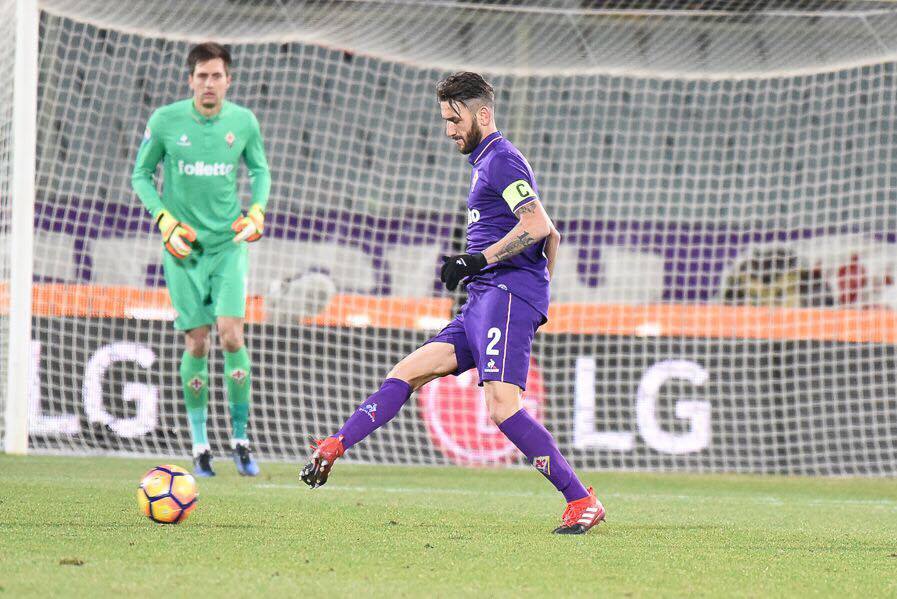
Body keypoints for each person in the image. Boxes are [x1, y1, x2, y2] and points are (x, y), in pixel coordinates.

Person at [301, 72, 605, 534]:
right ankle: (334, 446)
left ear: (483, 113)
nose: (449, 130)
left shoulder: (502, 159)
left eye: (455, 119)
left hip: (502, 293)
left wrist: (484, 266)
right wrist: (530, 288)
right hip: (487, 297)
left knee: (502, 407)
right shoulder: (484, 163)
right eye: (445, 120)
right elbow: (553, 236)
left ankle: (581, 499)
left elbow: (539, 225)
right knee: (406, 373)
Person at [132, 42, 271, 477]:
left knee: (231, 335)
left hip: (228, 246)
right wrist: (164, 220)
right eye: (201, 76)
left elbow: (261, 171)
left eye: (216, 76)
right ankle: (199, 445)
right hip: (182, 249)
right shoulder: (166, 121)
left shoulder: (243, 122)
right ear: (190, 80)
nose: (209, 83)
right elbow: (141, 174)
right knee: (197, 341)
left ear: (228, 80)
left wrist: (257, 210)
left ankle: (241, 439)